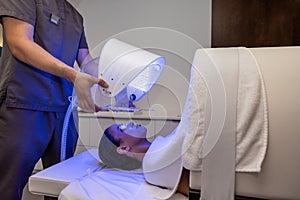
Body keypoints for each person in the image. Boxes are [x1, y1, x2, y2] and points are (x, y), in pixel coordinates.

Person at [0, 1, 109, 200]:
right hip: (26, 103)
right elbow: (20, 42)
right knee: (8, 186)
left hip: (63, 110)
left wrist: (116, 85)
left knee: (61, 187)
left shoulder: (75, 16)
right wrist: (73, 76)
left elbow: (86, 61)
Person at [98, 122, 190, 196]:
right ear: (123, 148)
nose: (130, 123)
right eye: (122, 128)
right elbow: (194, 186)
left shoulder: (157, 149)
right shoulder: (153, 167)